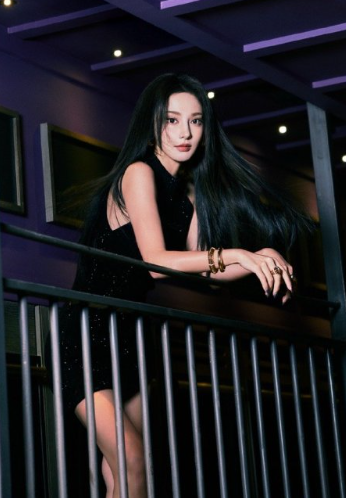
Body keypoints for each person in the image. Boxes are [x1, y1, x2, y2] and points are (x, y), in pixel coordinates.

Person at [57, 73, 311, 498]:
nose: (185, 133)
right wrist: (238, 254)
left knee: (124, 469)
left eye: (195, 121)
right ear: (153, 124)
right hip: (86, 332)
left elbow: (206, 271)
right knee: (131, 460)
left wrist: (260, 256)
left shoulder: (188, 194)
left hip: (130, 335)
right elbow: (157, 263)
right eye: (172, 120)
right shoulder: (139, 173)